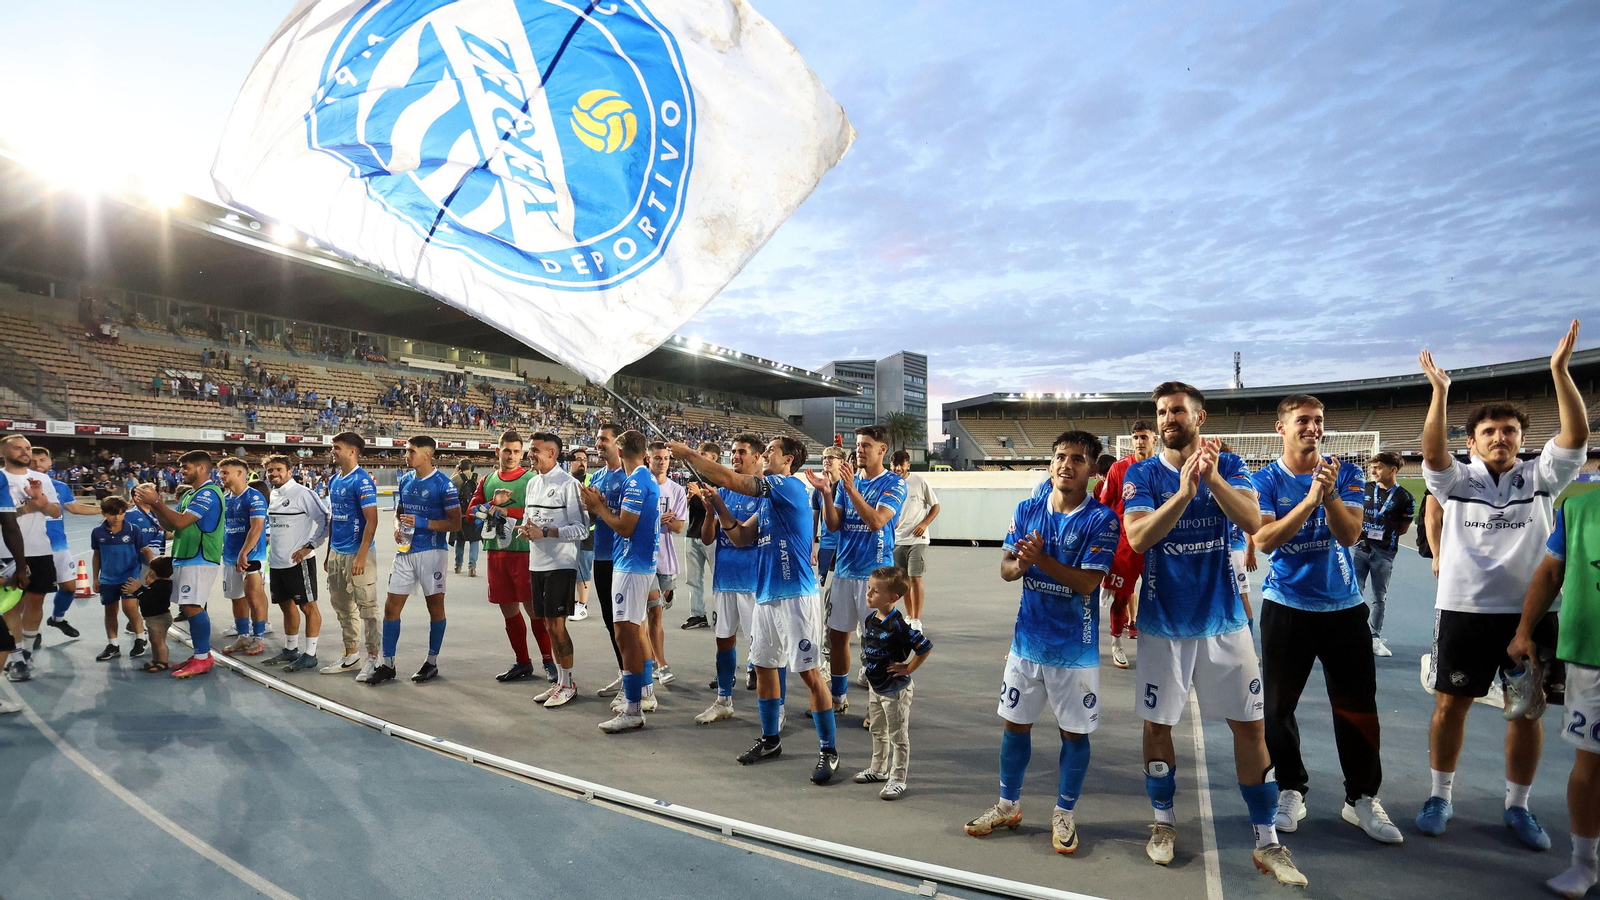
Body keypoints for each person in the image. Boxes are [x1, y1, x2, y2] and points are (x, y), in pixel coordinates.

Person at [1122, 382, 1305, 886]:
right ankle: (1163, 823)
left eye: (1177, 409)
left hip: (1226, 622)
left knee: (1250, 728)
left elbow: (1253, 522)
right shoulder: (1141, 473)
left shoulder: (1231, 466)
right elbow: (1138, 537)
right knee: (1159, 725)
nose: (1167, 418)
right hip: (1164, 625)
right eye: (1161, 411)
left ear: (1199, 417)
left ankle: (1267, 841)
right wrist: (1183, 492)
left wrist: (1210, 479)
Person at [1414, 321, 1588, 848]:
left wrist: (1559, 371)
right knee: (1450, 705)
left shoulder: (1542, 475)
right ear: (1472, 442)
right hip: (1463, 610)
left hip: (1528, 615)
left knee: (1525, 711)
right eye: (1489, 431)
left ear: (1522, 438)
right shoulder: (1456, 478)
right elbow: (1431, 452)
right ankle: (1440, 795)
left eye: (1509, 430)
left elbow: (1576, 435)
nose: (1500, 437)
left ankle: (1518, 806)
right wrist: (1440, 395)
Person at [1251, 395, 1399, 843]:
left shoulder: (1346, 473)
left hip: (1343, 608)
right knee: (1276, 711)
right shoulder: (1263, 480)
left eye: (1318, 421)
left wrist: (1328, 494)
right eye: (1303, 421)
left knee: (1357, 708)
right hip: (1286, 605)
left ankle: (1361, 799)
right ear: (1282, 428)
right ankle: (1291, 788)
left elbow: (1350, 532)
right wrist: (1309, 500)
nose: (1312, 428)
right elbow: (1264, 540)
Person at [965, 431, 1116, 852]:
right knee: (1015, 726)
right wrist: (1022, 564)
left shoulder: (1101, 519)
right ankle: (1007, 805)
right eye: (1060, 457)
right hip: (1026, 643)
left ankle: (1064, 813)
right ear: (1050, 464)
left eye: (1078, 459)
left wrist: (1041, 560)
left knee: (1074, 734)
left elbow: (1088, 584)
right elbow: (1007, 569)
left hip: (1074, 650)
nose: (1067, 465)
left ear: (1091, 469)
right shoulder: (1027, 509)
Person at [675, 436, 839, 783]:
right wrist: (718, 505)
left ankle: (828, 749)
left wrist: (689, 454)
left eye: (771, 451)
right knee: (764, 667)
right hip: (766, 595)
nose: (765, 454)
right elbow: (740, 537)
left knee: (810, 675)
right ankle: (770, 740)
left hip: (796, 595)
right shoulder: (768, 500)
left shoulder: (787, 486)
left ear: (788, 459)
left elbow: (735, 479)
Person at [1509, 489, 1600, 899]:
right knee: (1591, 763)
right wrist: (1524, 631)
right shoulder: (1579, 508)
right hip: (1591, 653)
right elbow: (1549, 573)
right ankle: (1583, 863)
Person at [815, 425, 907, 715]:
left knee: (876, 644)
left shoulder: (894, 483)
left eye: (867, 445)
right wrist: (828, 493)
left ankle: (876, 708)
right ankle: (839, 698)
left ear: (883, 450)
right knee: (838, 636)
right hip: (844, 570)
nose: (860, 450)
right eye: (858, 444)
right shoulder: (844, 483)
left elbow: (877, 521)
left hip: (876, 574)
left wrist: (851, 488)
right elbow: (832, 524)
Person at [581, 430, 660, 732]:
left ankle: (633, 708)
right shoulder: (643, 478)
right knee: (633, 631)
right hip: (636, 565)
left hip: (631, 566)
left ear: (621, 448)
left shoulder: (636, 482)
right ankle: (643, 693)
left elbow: (626, 528)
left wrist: (599, 508)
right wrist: (604, 506)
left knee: (625, 635)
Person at [467, 431, 557, 684]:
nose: (512, 455)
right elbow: (470, 512)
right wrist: (489, 509)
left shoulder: (532, 479)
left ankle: (549, 660)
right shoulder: (487, 481)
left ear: (523, 453)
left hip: (526, 554)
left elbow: (540, 514)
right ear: (498, 451)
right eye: (507, 450)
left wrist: (507, 510)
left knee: (535, 610)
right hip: (496, 553)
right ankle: (522, 661)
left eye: (517, 451)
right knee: (508, 610)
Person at [372, 435, 461, 685]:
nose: (406, 455)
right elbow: (399, 513)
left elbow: (456, 523)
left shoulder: (444, 484)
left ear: (427, 455)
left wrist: (423, 523)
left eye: (411, 451)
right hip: (405, 551)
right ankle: (387, 663)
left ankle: (431, 661)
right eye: (406, 450)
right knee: (391, 606)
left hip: (432, 553)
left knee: (434, 608)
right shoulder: (406, 480)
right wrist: (396, 526)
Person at [690, 433, 765, 725]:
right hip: (724, 580)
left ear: (756, 457)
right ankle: (723, 700)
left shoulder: (762, 493)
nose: (735, 456)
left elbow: (743, 539)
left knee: (761, 648)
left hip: (752, 582)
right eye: (733, 451)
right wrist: (710, 513)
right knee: (724, 641)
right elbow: (709, 538)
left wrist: (719, 507)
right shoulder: (725, 491)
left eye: (741, 451)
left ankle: (774, 707)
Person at [135, 450, 225, 678]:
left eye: (186, 467)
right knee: (189, 606)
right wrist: (155, 506)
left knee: (193, 606)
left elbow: (183, 521)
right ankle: (199, 655)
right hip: (185, 556)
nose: (181, 471)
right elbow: (172, 525)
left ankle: (203, 658)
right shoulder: (190, 495)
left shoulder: (209, 493)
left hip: (200, 557)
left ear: (202, 468)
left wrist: (156, 501)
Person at [517, 432, 588, 709]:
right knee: (547, 625)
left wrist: (545, 531)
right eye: (530, 449)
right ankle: (559, 681)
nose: (530, 454)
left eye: (535, 450)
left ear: (552, 453)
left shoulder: (569, 485)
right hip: (537, 562)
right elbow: (530, 517)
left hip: (561, 564)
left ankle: (569, 684)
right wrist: (527, 528)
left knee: (557, 627)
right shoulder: (533, 483)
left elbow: (581, 529)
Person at [855, 565, 932, 800]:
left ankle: (897, 779)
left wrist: (908, 668)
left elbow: (924, 647)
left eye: (875, 592)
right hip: (875, 686)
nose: (868, 594)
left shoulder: (899, 625)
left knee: (898, 736)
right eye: (869, 589)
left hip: (894, 690)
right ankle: (878, 769)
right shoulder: (870, 620)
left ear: (893, 598)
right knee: (878, 730)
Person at [1091, 420, 1157, 670]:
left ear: (1154, 439)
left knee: (1158, 597)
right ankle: (1116, 644)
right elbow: (1105, 506)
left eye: (1144, 436)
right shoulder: (1119, 469)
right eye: (1136, 437)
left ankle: (1155, 646)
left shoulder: (1164, 468)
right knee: (1121, 597)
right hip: (1125, 545)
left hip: (1155, 544)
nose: (1140, 441)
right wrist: (1102, 541)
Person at [3, 434, 62, 682]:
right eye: (18, 448)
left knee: (36, 603)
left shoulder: (43, 479)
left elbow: (56, 512)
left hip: (40, 549)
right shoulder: (1, 478)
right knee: (11, 606)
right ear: (4, 452)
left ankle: (26, 653)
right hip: (5, 553)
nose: (25, 452)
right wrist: (28, 506)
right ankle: (16, 658)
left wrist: (42, 501)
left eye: (27, 448)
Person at [262, 455, 330, 672]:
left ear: (290, 471)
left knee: (308, 607)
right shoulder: (273, 494)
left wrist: (309, 546)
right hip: (277, 561)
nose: (274, 474)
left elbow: (325, 521)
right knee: (285, 605)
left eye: (279, 469)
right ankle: (291, 649)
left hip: (298, 562)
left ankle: (310, 654)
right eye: (270, 470)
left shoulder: (303, 493)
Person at [322, 432, 381, 678]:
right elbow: (334, 518)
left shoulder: (362, 481)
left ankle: (376, 659)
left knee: (367, 608)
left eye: (337, 447)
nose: (332, 451)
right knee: (342, 607)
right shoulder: (335, 480)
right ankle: (351, 655)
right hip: (337, 552)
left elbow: (372, 520)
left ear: (352, 451)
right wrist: (328, 553)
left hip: (359, 554)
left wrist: (360, 555)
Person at [35, 446, 101, 641]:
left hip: (59, 546)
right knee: (34, 595)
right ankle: (32, 633)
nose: (37, 464)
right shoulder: (17, 486)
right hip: (32, 548)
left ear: (49, 462)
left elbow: (75, 507)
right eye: (32, 460)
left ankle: (57, 618)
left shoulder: (60, 487)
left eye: (41, 460)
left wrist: (103, 509)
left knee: (70, 588)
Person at [1354, 452, 1414, 658]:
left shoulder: (1405, 497)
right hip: (1360, 548)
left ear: (1393, 470)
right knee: (1354, 592)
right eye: (1372, 467)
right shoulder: (1365, 489)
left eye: (1378, 467)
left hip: (1384, 553)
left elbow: (1403, 529)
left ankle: (1374, 637)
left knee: (1379, 597)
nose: (1373, 471)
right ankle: (1352, 633)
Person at [589, 424, 630, 697]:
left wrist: (599, 507)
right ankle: (624, 673)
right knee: (609, 620)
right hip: (601, 555)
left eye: (604, 439)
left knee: (626, 623)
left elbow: (628, 522)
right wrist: (589, 509)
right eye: (598, 439)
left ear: (618, 444)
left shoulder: (630, 476)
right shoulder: (597, 477)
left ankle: (638, 680)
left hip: (624, 558)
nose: (599, 443)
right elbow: (593, 520)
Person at [89, 497, 154, 661]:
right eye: (112, 514)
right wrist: (95, 578)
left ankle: (140, 638)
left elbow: (146, 550)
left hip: (129, 576)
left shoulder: (133, 530)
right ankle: (113, 645)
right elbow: (96, 555)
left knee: (129, 608)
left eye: (121, 513)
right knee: (110, 612)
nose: (117, 518)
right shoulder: (98, 533)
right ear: (103, 513)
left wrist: (150, 569)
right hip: (108, 579)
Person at [218, 457, 270, 656]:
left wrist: (244, 553)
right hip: (231, 555)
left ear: (240, 473)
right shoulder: (226, 498)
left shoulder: (254, 497)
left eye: (225, 472)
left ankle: (258, 638)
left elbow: (257, 528)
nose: (221, 476)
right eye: (220, 473)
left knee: (253, 597)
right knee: (236, 598)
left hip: (251, 556)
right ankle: (243, 636)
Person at [648, 442, 688, 684]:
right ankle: (659, 663)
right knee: (652, 611)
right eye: (657, 458)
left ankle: (652, 660)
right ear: (648, 459)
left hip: (666, 558)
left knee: (657, 612)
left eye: (665, 458)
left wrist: (661, 521)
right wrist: (658, 519)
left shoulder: (676, 490)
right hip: (645, 559)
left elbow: (678, 526)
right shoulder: (641, 485)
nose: (662, 462)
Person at [890, 450, 940, 631]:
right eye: (894, 465)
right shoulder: (889, 483)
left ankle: (917, 620)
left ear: (908, 465)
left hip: (917, 538)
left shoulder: (919, 481)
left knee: (915, 578)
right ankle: (909, 616)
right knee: (903, 581)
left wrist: (925, 523)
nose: (897, 468)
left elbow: (935, 506)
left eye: (901, 465)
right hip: (897, 539)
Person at [680, 442, 721, 630]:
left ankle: (722, 613)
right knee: (693, 579)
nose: (700, 456)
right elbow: (684, 509)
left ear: (714, 458)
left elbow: (719, 510)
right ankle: (697, 614)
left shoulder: (721, 479)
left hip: (713, 535)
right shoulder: (693, 477)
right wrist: (688, 498)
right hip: (692, 532)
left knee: (718, 577)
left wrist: (700, 495)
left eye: (704, 454)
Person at [132, 556, 175, 673]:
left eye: (151, 571)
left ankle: (163, 662)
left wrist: (136, 591)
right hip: (153, 618)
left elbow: (149, 599)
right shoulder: (158, 584)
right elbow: (148, 594)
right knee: (153, 640)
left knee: (159, 641)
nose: (149, 573)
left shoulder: (162, 586)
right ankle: (156, 660)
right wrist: (140, 588)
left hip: (159, 618)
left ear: (156, 572)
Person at [812, 446, 847, 587]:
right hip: (826, 546)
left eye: (831, 457)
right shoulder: (817, 489)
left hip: (845, 546)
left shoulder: (850, 486)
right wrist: (811, 548)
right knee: (826, 589)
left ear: (841, 462)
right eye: (824, 458)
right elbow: (814, 520)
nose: (826, 460)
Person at [569, 449, 593, 622]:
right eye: (578, 459)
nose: (582, 463)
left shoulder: (592, 480)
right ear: (570, 462)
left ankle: (582, 605)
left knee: (583, 568)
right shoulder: (565, 480)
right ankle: (569, 602)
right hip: (567, 531)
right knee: (567, 567)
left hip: (587, 531)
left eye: (585, 459)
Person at [451, 459, 482, 576]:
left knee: (460, 541)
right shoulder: (479, 478)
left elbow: (446, 490)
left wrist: (455, 473)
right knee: (474, 541)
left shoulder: (457, 479)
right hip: (475, 514)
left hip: (461, 515)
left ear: (460, 467)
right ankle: (472, 567)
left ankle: (458, 565)